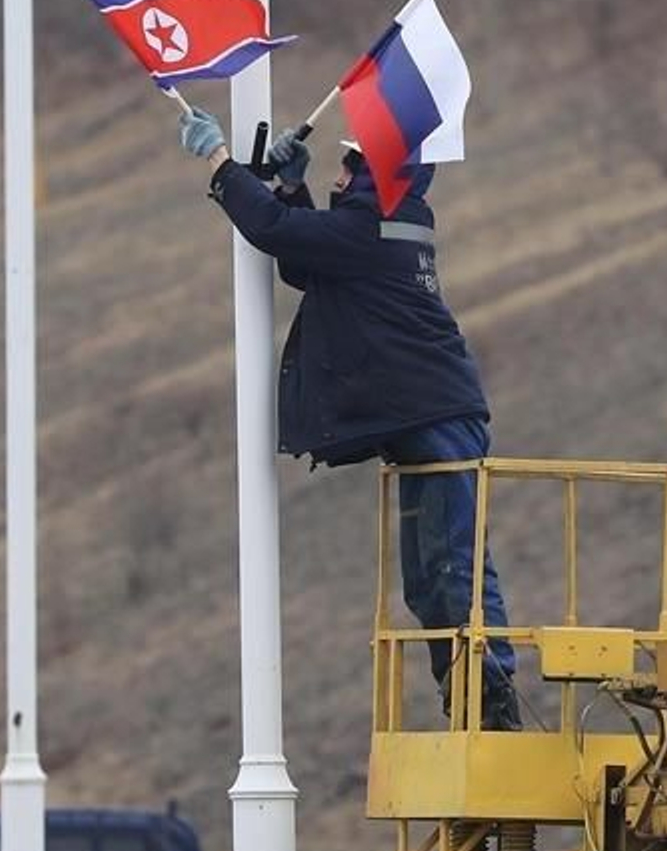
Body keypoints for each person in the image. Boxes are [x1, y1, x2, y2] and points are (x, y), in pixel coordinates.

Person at [178, 106, 520, 729]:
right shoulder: (388, 223)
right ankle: (471, 701)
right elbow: (308, 261)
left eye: (351, 165)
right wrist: (290, 185)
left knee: (451, 566)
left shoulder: (371, 229)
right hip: (432, 417)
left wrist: (221, 162)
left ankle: (492, 701)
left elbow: (278, 234)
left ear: (376, 175)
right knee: (430, 578)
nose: (340, 176)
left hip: (437, 419)